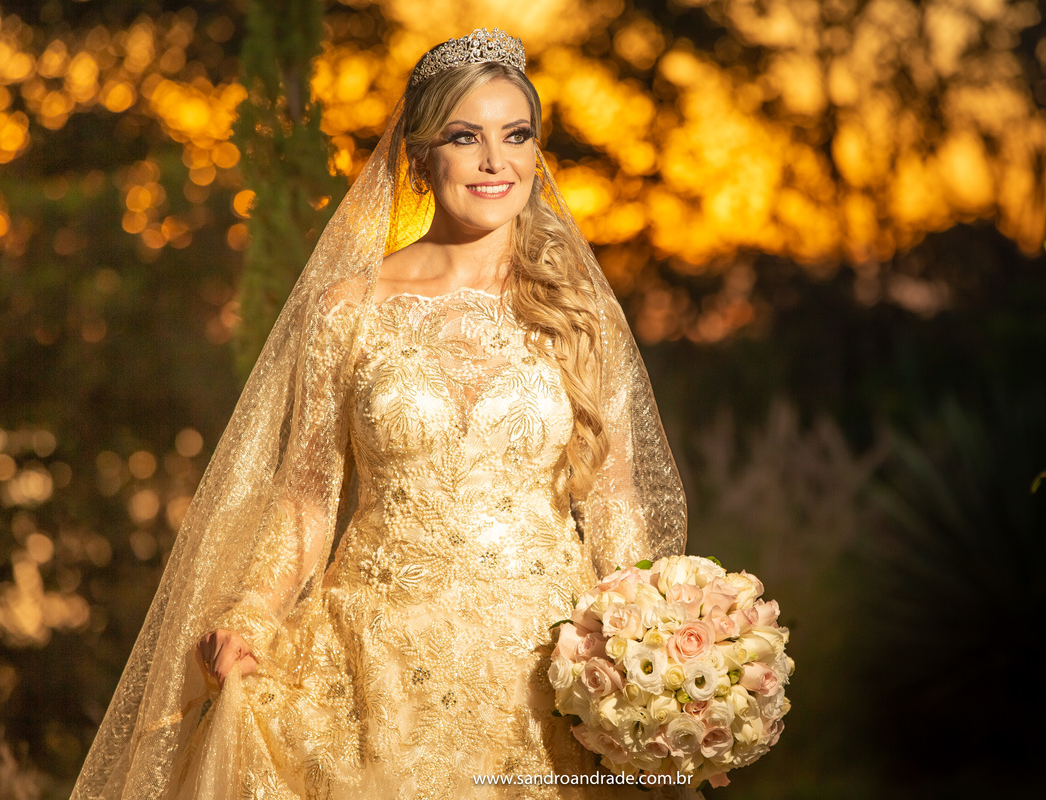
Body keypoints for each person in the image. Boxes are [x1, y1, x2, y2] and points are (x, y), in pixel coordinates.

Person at [71, 29, 694, 800]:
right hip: (377, 666)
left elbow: (613, 496)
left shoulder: (577, 314)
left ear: (536, 153)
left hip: (546, 671)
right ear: (423, 157)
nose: (496, 162)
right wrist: (251, 612)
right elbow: (304, 495)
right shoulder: (350, 309)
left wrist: (648, 639)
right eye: (466, 138)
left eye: (516, 135)